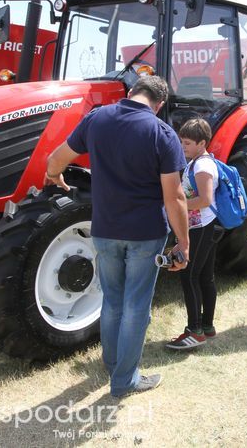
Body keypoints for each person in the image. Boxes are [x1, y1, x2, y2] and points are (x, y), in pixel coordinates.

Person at [45, 76, 189, 398]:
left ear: (132, 91)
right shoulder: (161, 133)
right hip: (145, 233)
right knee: (136, 306)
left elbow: (55, 160)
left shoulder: (96, 119)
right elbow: (175, 197)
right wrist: (184, 242)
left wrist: (54, 175)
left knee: (112, 301)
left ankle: (112, 364)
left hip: (105, 230)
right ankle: (125, 380)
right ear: (159, 103)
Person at [166, 118, 220, 350]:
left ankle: (194, 330)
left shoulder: (202, 166)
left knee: (189, 276)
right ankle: (207, 326)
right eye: (181, 142)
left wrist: (178, 205)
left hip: (201, 228)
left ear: (202, 143)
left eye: (187, 143)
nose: (183, 146)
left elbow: (205, 199)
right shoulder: (197, 161)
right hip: (205, 226)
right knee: (205, 277)